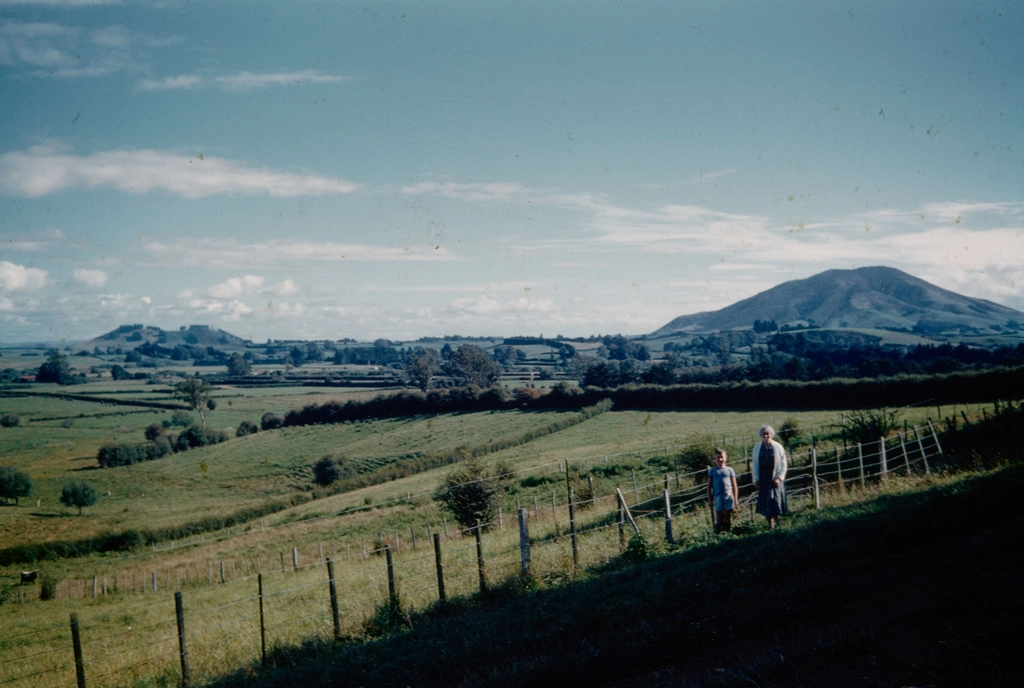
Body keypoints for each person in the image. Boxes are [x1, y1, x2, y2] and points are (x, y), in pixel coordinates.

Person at [751, 425, 787, 529]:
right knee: (766, 503)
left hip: (774, 477)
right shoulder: (757, 447)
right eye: (764, 434)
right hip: (763, 478)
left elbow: (784, 463)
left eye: (768, 433)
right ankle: (770, 526)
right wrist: (755, 480)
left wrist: (779, 477)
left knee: (775, 501)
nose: (766, 436)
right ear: (761, 435)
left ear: (771, 434)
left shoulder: (778, 446)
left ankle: (778, 524)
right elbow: (754, 464)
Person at [707, 448, 738, 533]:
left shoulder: (730, 470)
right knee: (718, 515)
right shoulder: (712, 471)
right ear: (715, 458)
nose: (720, 459)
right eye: (718, 457)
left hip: (728, 495)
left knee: (727, 515)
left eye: (722, 457)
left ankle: (727, 533)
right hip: (717, 496)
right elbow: (709, 486)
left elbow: (734, 485)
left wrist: (735, 499)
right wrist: (710, 499)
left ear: (726, 458)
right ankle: (718, 534)